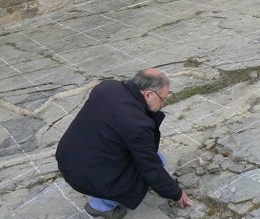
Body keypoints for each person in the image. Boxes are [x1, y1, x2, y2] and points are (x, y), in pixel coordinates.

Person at [56, 68, 193, 219]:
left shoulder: (107, 87)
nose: (163, 104)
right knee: (156, 162)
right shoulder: (137, 124)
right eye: (163, 99)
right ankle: (100, 206)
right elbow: (150, 168)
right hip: (85, 174)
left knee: (154, 158)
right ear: (148, 94)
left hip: (67, 158)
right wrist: (176, 193)